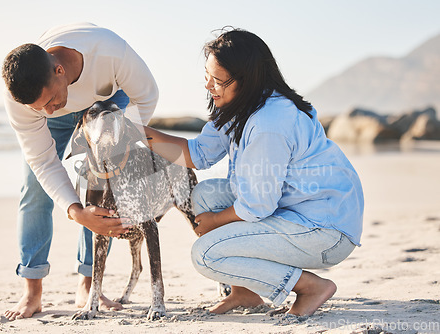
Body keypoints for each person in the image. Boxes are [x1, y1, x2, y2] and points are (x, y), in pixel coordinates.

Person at [138, 28, 364, 317]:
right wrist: (139, 133)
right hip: (295, 208)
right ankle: (245, 292)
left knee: (206, 255)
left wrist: (216, 221)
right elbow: (198, 154)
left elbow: (258, 204)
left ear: (247, 80)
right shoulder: (241, 107)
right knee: (205, 194)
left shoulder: (269, 123)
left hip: (325, 230)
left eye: (218, 80)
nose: (209, 86)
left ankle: (310, 287)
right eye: (207, 76)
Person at [1, 22, 158, 320]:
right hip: (63, 99)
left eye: (47, 101)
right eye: (38, 109)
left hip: (108, 99)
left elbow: (148, 96)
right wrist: (75, 210)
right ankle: (32, 291)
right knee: (34, 188)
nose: (47, 112)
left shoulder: (111, 52)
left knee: (103, 184)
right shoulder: (22, 97)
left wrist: (118, 143)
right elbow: (43, 161)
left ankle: (90, 284)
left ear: (59, 71)